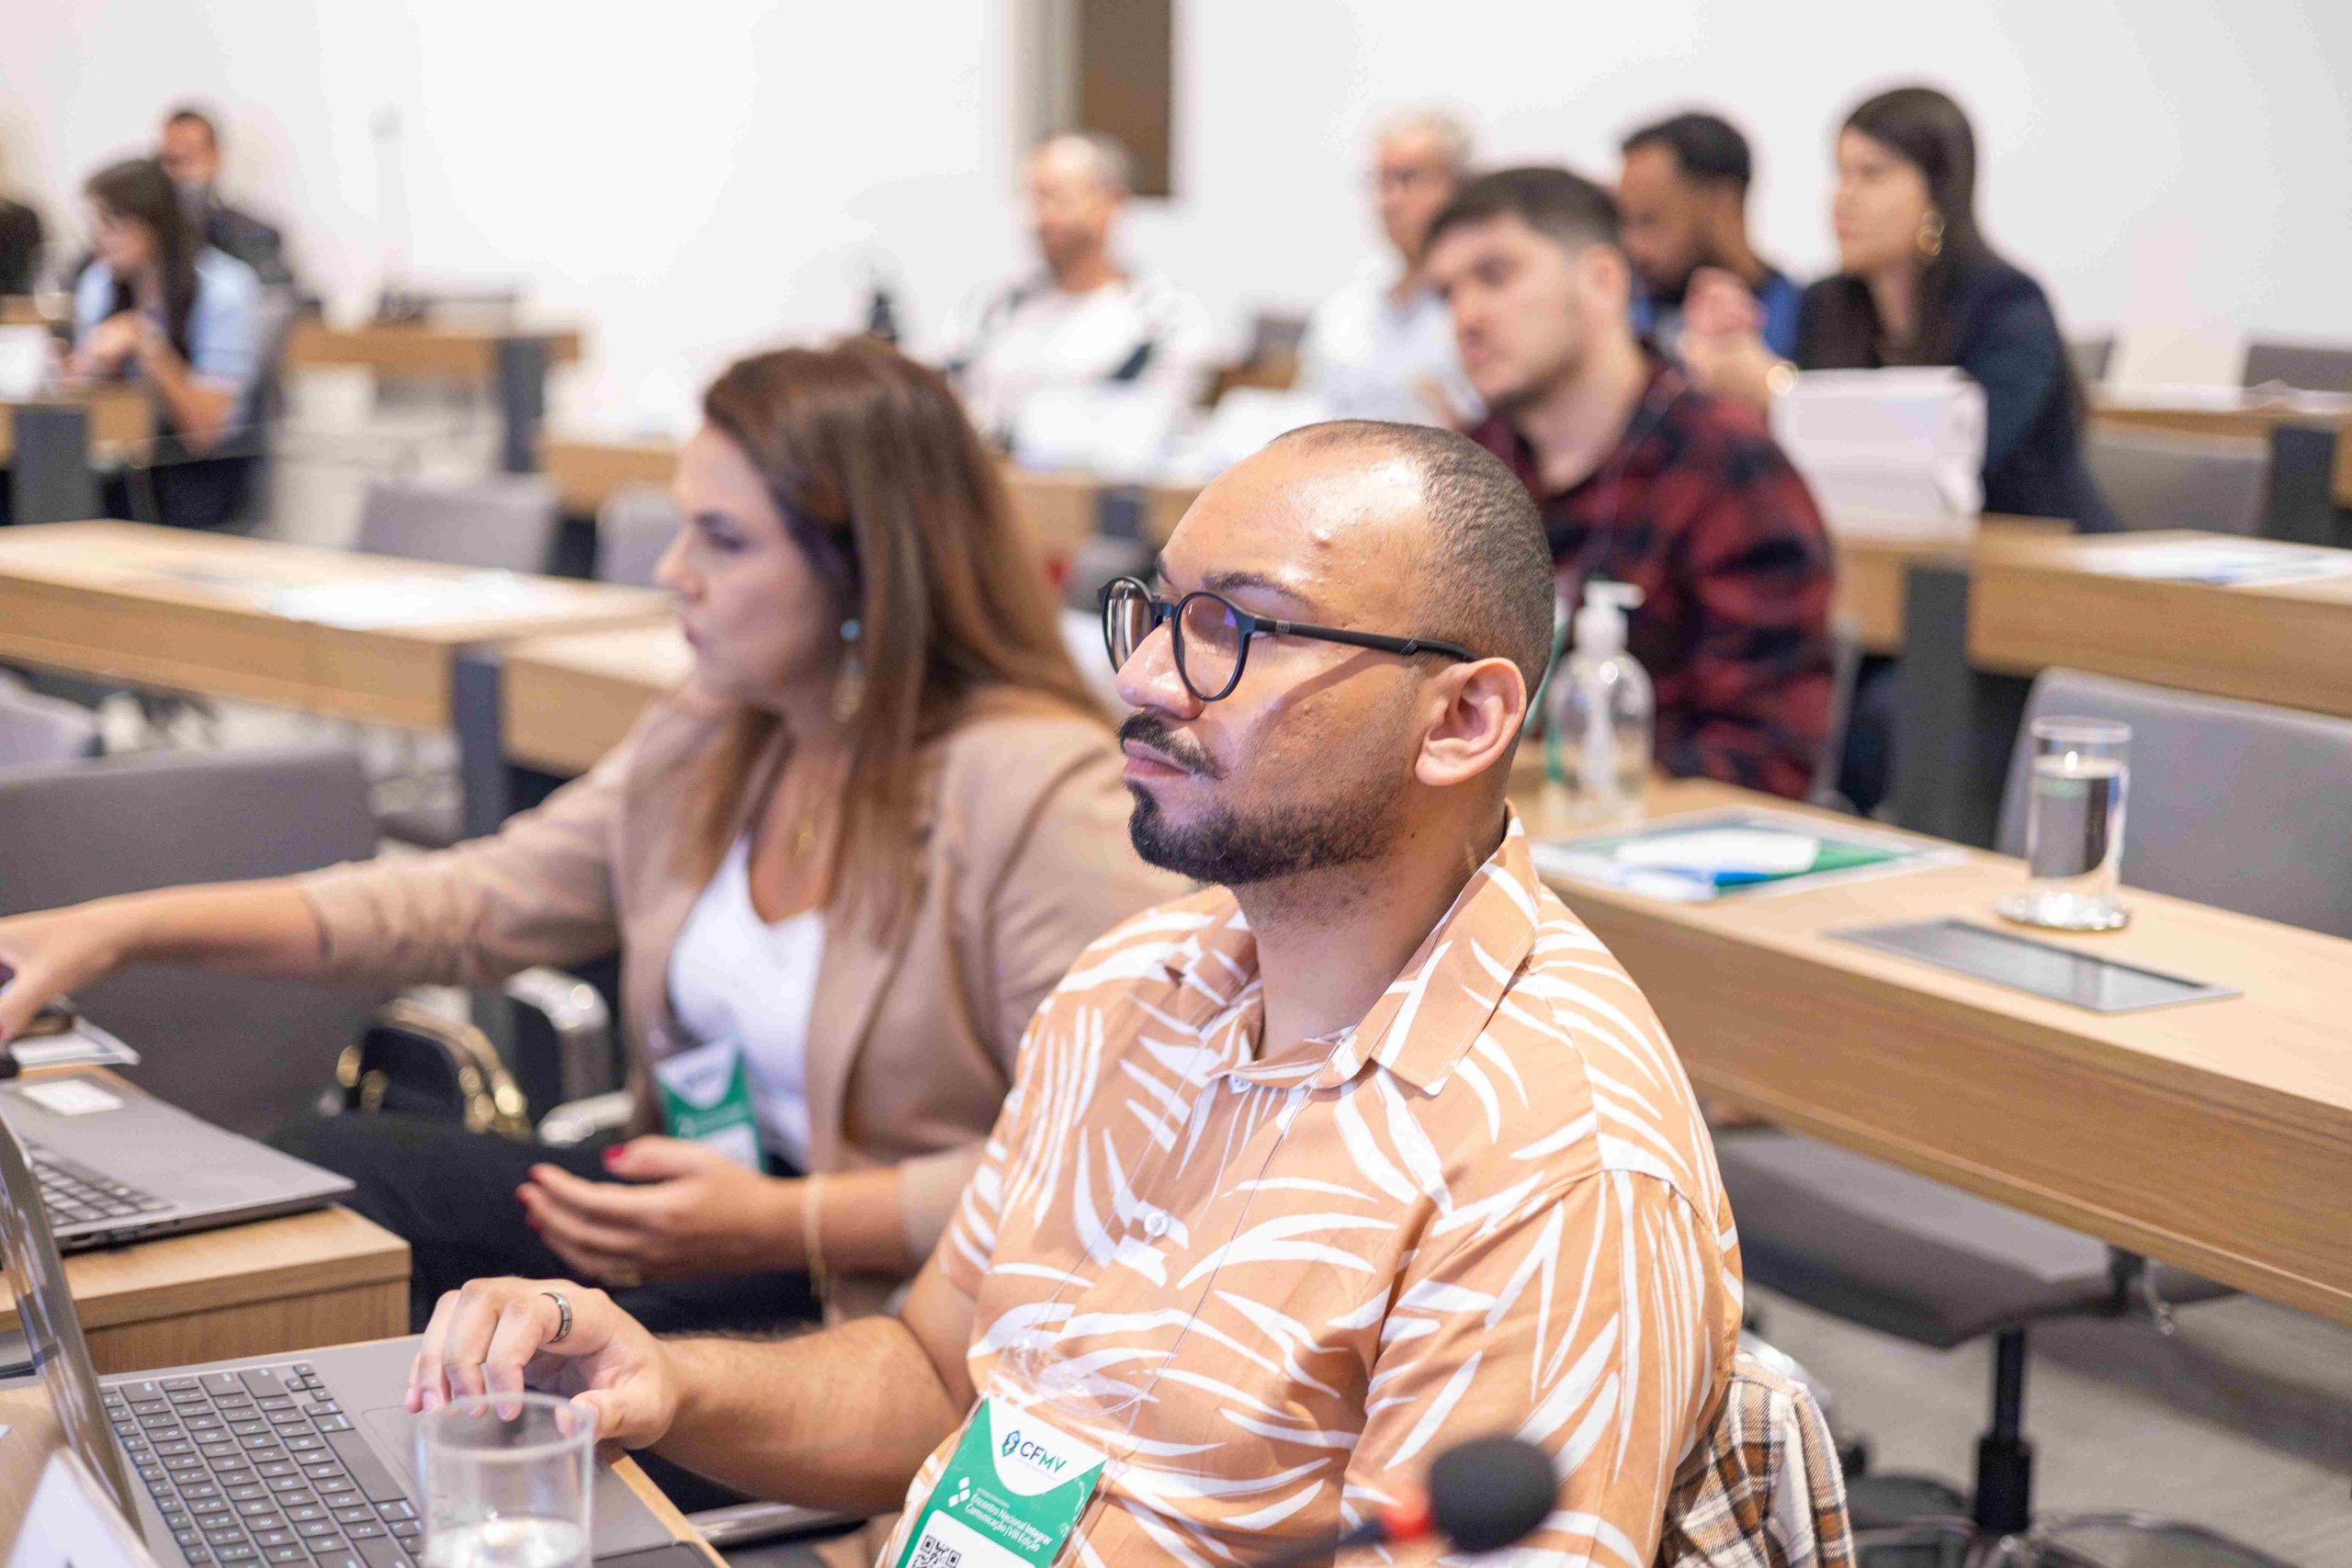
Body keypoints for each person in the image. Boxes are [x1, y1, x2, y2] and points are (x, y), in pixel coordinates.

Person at [406, 419, 1746, 1568]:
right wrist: (670, 1376)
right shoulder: (1134, 983)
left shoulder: (1557, 1164)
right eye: (1158, 611)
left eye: (1237, 630)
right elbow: (939, 1372)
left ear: (1460, 720)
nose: (1148, 677)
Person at [0, 337, 1181, 1334]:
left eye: (722, 542)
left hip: (880, 1301)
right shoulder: (722, 732)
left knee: (471, 1371)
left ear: (866, 572)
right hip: (703, 1225)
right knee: (341, 1171)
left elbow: (1113, 1164)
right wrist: (119, 927)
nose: (674, 574)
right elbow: (456, 905)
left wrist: (790, 1220)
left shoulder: (1033, 792)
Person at [1424, 166, 1836, 800]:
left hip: (1648, 847)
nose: (1466, 316)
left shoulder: (1722, 464)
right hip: (1475, 837)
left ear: (1603, 281)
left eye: (1496, 276)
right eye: (1448, 292)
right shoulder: (1469, 466)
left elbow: (1765, 757)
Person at [1679, 85, 2118, 531]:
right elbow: (1807, 466)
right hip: (1888, 558)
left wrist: (1777, 390)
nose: (1842, 198)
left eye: (1871, 175)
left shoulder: (2007, 305)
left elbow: (1955, 458)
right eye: (1841, 174)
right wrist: (1718, 378)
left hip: (2050, 566)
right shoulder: (1828, 303)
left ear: (1937, 192)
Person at [942, 132, 1214, 447]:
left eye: (1058, 197)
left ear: (1113, 203)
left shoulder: (1165, 321)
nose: (1040, 216)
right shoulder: (991, 309)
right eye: (1034, 198)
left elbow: (1151, 430)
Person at [69, 157, 265, 531]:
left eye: (113, 225)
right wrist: (82, 366)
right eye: (97, 227)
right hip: (114, 474)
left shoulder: (224, 289)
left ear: (154, 224)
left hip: (197, 478)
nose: (101, 240)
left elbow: (207, 431)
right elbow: (83, 395)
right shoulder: (99, 282)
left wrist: (148, 346)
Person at [1295, 107, 1480, 424]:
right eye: (1381, 180)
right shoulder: (1347, 308)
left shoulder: (1486, 306)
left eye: (1408, 178)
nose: (1390, 199)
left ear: (1459, 187)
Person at [1617, 110, 1803, 360]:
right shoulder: (1624, 323)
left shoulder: (1813, 321)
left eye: (1649, 220)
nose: (1634, 247)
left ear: (1723, 203)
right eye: (1624, 222)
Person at [156, 104, 295, 289]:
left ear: (215, 158)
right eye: (171, 159)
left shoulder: (254, 235)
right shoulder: (142, 235)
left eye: (189, 157)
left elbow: (277, 299)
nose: (179, 172)